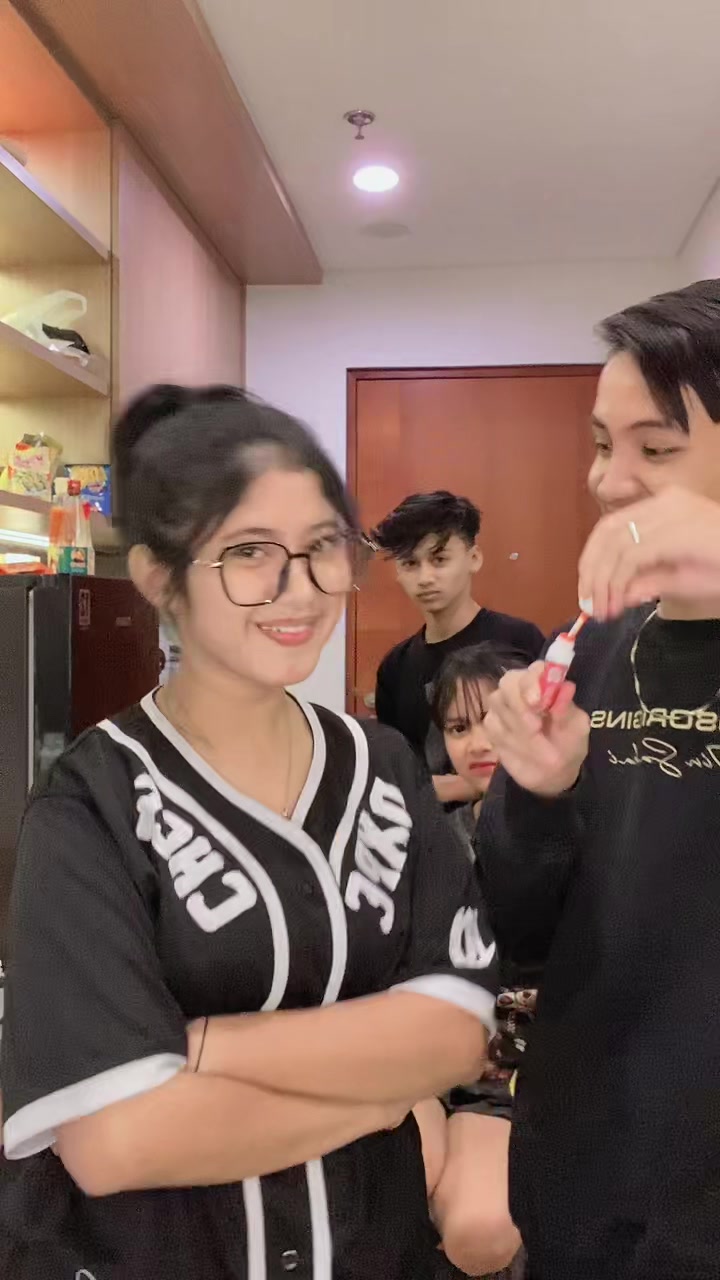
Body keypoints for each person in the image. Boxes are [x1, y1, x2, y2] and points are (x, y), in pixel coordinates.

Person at [0, 385, 499, 1280]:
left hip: (373, 1251)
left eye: (322, 548)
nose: (298, 588)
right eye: (249, 553)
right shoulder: (92, 805)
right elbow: (117, 1141)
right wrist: (378, 1098)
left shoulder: (382, 767)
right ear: (160, 578)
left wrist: (201, 1047)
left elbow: (456, 1032)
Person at [480, 278, 720, 1280]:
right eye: (599, 444)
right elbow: (522, 934)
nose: (610, 481)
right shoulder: (589, 650)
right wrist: (535, 797)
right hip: (589, 1177)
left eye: (655, 449)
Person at [415, 645, 531, 1280]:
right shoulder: (430, 841)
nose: (478, 742)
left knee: (478, 1229)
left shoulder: (578, 837)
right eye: (459, 727)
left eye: (494, 718)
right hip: (418, 1066)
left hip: (511, 1082)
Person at [372, 492, 544, 804]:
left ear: (474, 558)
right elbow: (397, 778)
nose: (425, 578)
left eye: (439, 560)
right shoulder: (395, 668)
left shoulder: (520, 641)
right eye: (410, 563)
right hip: (432, 831)